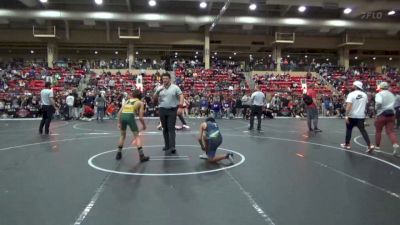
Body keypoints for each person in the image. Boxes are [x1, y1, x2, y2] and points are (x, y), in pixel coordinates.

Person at [153, 73, 184, 154]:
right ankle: (167, 145)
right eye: (163, 79)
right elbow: (154, 99)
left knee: (171, 128)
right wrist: (158, 92)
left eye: (166, 78)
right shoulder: (159, 88)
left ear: (170, 79)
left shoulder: (175, 87)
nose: (165, 80)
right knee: (165, 128)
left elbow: (181, 96)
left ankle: (172, 146)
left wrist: (180, 107)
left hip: (172, 110)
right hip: (162, 110)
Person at [341, 81, 375, 152]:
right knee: (363, 131)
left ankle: (347, 144)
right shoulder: (365, 95)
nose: (352, 86)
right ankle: (369, 145)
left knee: (349, 130)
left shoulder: (351, 94)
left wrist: (346, 115)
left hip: (352, 116)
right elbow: (365, 106)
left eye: (353, 85)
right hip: (361, 116)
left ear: (356, 86)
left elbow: (349, 105)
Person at [116, 90, 149, 162]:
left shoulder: (127, 101)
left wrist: (119, 122)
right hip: (130, 117)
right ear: (140, 96)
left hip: (123, 117)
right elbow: (140, 117)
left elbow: (119, 113)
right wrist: (144, 125)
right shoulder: (140, 102)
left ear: (133, 95)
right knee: (137, 137)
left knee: (122, 136)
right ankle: (141, 156)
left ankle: (118, 153)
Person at [373, 82, 399, 156]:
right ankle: (395, 143)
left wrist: (376, 109)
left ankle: (377, 147)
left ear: (381, 87)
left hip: (381, 114)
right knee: (391, 131)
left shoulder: (379, 94)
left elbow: (378, 103)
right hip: (391, 114)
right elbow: (394, 104)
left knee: (378, 131)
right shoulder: (392, 94)